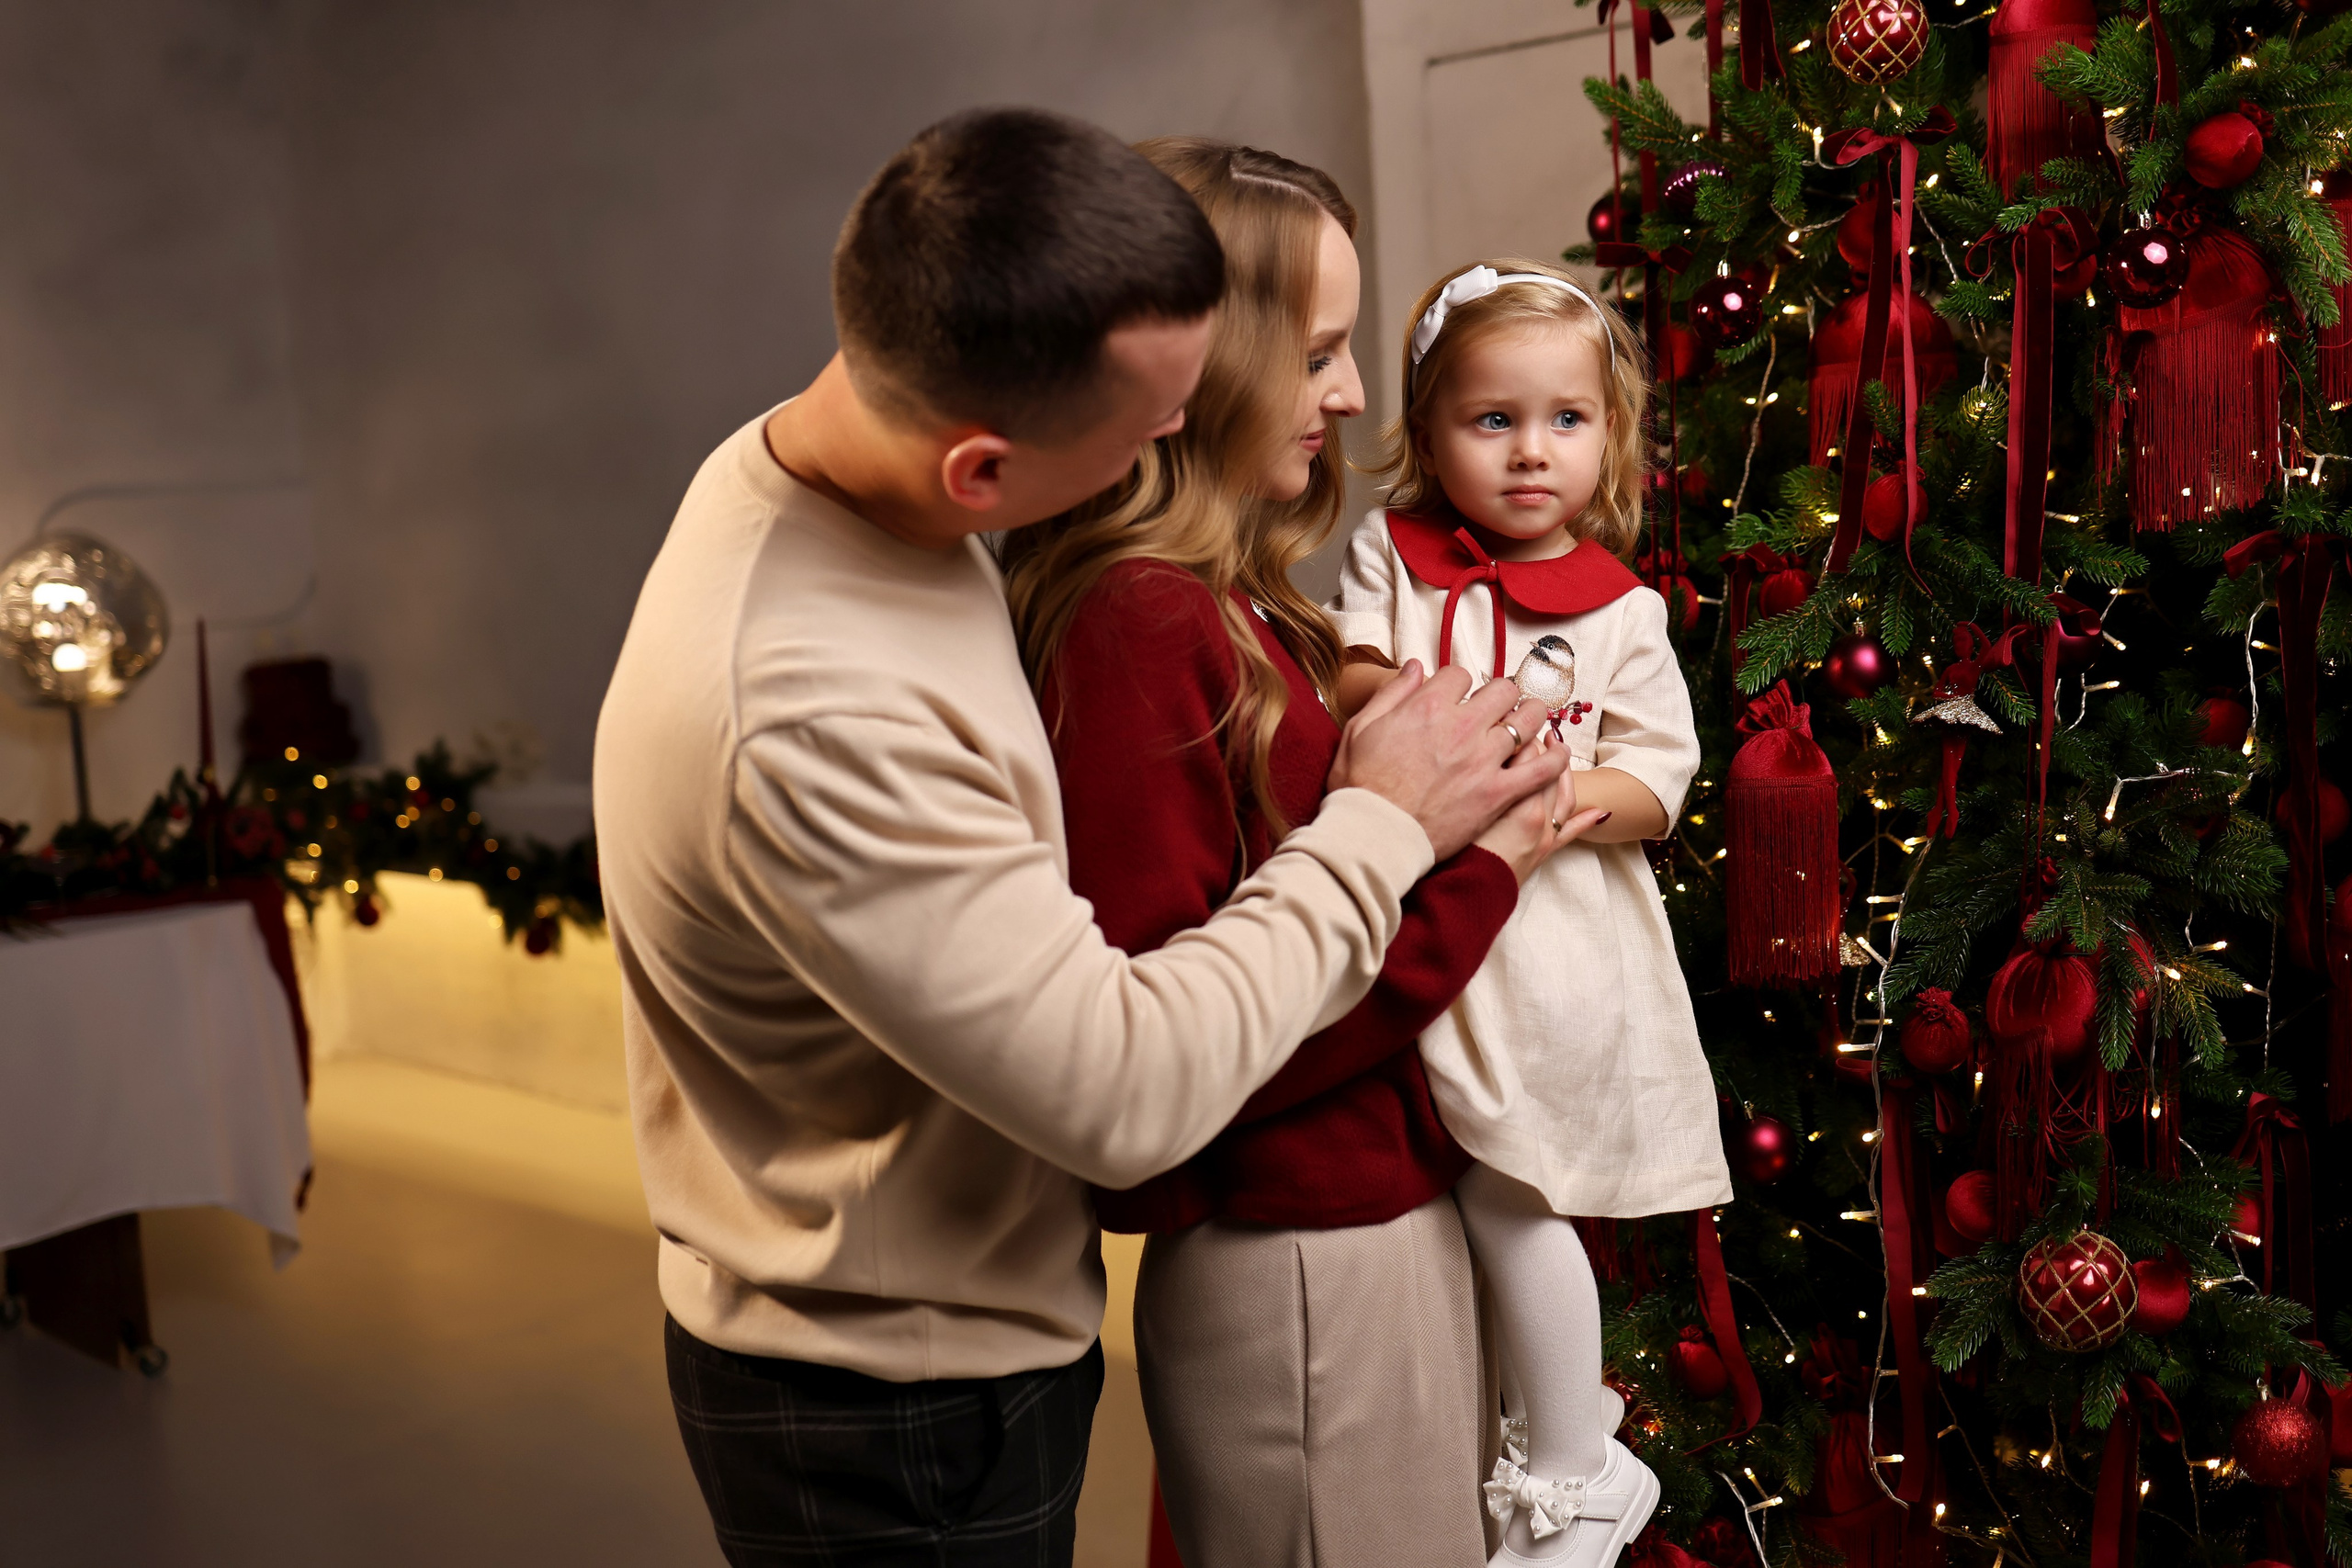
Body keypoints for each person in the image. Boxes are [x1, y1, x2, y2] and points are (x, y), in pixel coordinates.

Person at [593, 110, 1571, 1565]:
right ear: (983, 474)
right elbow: (1126, 1100)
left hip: (966, 1323)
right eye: (1153, 423)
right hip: (891, 1402)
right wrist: (1398, 830)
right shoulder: (811, 707)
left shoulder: (844, 471)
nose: (1174, 443)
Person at [1001, 142, 1605, 1568]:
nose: (1347, 396)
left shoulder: (1238, 606)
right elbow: (1193, 1057)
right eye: (1321, 350)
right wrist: (1487, 862)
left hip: (1370, 1233)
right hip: (1302, 1270)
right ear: (1207, 369)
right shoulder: (1139, 623)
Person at [1329, 258, 1734, 1567]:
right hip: (1422, 922)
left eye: (1565, 420)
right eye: (1489, 421)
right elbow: (1351, 671)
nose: (1528, 454)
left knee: (1517, 1187)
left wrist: (1550, 807)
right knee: (1446, 1197)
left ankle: (1576, 1472)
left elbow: (1656, 775)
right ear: (1429, 430)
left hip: (1553, 944)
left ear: (1609, 433)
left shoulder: (1621, 611)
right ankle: (1531, 1435)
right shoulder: (1395, 559)